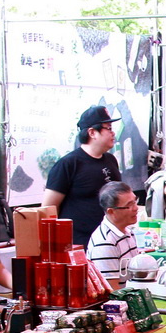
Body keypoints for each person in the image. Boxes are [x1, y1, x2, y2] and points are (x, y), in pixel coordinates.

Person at [43, 105, 122, 247]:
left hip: (111, 242)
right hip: (79, 245)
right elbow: (48, 208)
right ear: (92, 132)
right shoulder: (68, 164)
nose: (113, 133)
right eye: (108, 128)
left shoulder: (111, 160)